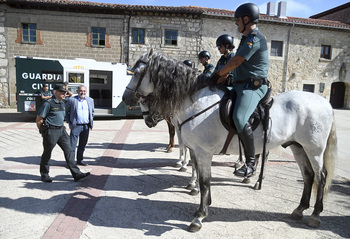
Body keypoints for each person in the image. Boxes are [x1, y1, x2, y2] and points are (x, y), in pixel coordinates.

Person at [211, 3, 269, 178]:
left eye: (238, 20)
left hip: (253, 87)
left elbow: (236, 61)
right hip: (240, 84)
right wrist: (224, 78)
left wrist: (218, 73)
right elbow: (238, 68)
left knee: (239, 117)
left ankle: (250, 163)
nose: (236, 24)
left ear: (246, 19)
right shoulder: (245, 38)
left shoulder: (255, 38)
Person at [36, 84, 90, 183]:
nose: (64, 94)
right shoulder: (48, 103)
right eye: (62, 92)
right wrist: (43, 132)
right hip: (51, 131)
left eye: (65, 92)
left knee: (69, 151)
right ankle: (44, 174)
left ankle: (76, 174)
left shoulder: (62, 102)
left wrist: (67, 90)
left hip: (61, 130)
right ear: (55, 92)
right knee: (47, 153)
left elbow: (71, 95)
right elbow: (39, 119)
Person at [65, 85, 94, 166]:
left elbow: (92, 112)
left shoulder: (90, 100)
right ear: (77, 91)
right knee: (72, 146)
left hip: (86, 126)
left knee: (82, 145)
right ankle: (71, 163)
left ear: (86, 92)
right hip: (76, 126)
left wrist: (90, 122)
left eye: (84, 91)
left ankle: (80, 160)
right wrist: (69, 122)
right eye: (81, 91)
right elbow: (66, 111)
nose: (82, 92)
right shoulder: (72, 100)